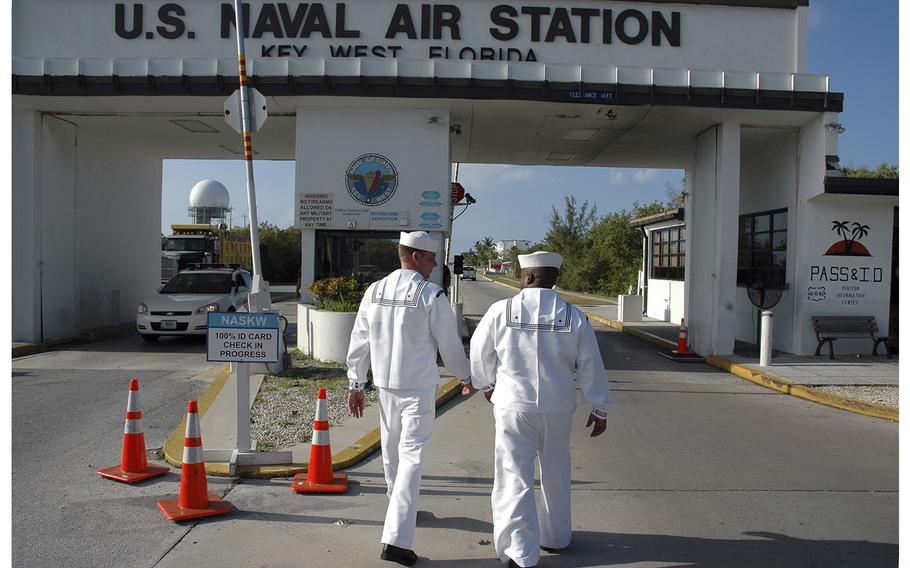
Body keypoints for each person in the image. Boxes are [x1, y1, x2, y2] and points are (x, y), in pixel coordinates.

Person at [468, 251, 612, 568]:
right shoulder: (574, 316)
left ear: (528, 277)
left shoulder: (501, 310)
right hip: (558, 407)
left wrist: (487, 385)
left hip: (513, 405)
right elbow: (591, 365)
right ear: (554, 278)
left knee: (513, 475)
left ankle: (520, 552)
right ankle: (556, 536)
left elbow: (479, 355)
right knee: (556, 470)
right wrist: (599, 407)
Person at [347, 230, 472, 567]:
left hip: (385, 387)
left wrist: (356, 384)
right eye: (431, 258)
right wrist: (467, 377)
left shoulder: (375, 291)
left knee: (393, 453)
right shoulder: (431, 295)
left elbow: (360, 340)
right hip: (417, 388)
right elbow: (449, 344)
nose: (434, 265)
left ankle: (400, 509)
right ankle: (396, 539)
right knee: (411, 457)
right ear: (416, 257)